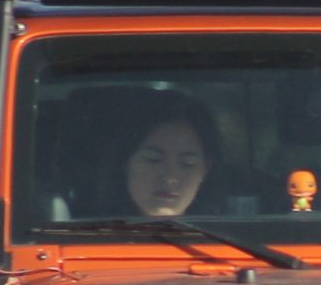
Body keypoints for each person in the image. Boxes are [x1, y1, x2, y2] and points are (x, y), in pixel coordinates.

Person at [90, 91, 223, 217]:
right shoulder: (85, 235)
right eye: (153, 160)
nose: (170, 177)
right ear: (125, 162)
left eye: (187, 163)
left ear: (205, 169)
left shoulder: (232, 235)